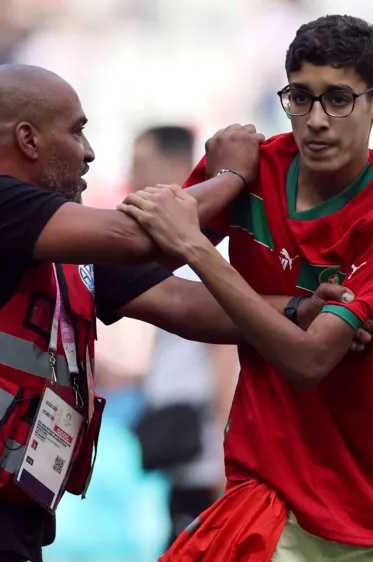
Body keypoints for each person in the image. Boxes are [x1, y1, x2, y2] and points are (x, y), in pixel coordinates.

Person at [0, 64, 373, 562]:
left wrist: (303, 308)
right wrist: (232, 175)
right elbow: (140, 238)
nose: (89, 151)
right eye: (77, 132)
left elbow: (184, 302)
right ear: (28, 140)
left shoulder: (58, 239)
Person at [119, 15, 373, 562]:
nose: (316, 120)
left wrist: (200, 251)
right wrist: (224, 183)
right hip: (265, 490)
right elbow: (129, 257)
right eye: (301, 97)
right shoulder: (253, 171)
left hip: (371, 507)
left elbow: (310, 360)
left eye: (338, 99)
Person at [128, 125, 237, 545]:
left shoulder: (200, 257)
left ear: (176, 167)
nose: (133, 177)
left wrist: (228, 464)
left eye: (141, 165)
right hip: (185, 457)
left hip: (206, 461)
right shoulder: (174, 254)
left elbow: (225, 357)